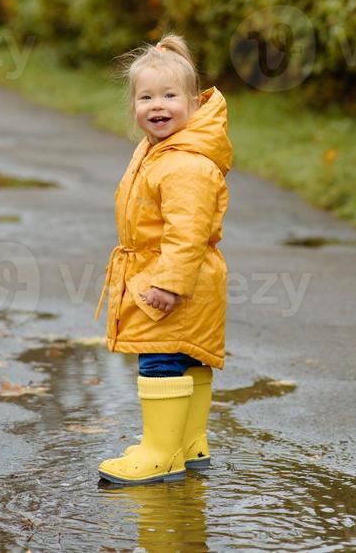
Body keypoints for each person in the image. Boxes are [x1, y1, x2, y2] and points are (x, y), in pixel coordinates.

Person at [94, 32, 233, 485]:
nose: (158, 106)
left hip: (171, 278)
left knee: (159, 359)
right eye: (146, 97)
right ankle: (188, 444)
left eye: (170, 96)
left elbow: (187, 232)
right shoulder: (161, 149)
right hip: (173, 274)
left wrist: (170, 283)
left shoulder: (185, 162)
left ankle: (160, 453)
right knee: (187, 358)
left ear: (193, 101)